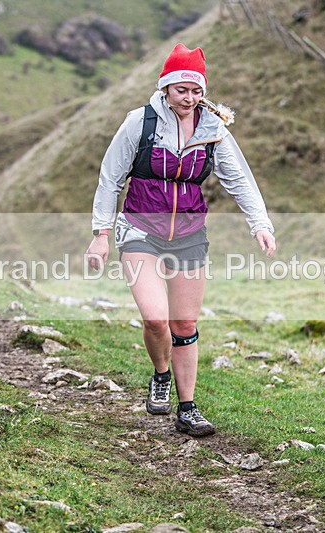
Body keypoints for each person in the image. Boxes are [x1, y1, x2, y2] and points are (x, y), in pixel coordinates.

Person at [86, 43, 276, 437]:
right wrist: (100, 235)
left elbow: (239, 179)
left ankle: (187, 408)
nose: (188, 98)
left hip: (190, 235)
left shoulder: (213, 130)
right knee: (156, 319)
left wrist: (260, 224)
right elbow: (110, 178)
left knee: (184, 323)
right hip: (140, 231)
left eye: (196, 91)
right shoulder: (139, 122)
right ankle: (161, 374)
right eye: (181, 90)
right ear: (166, 88)